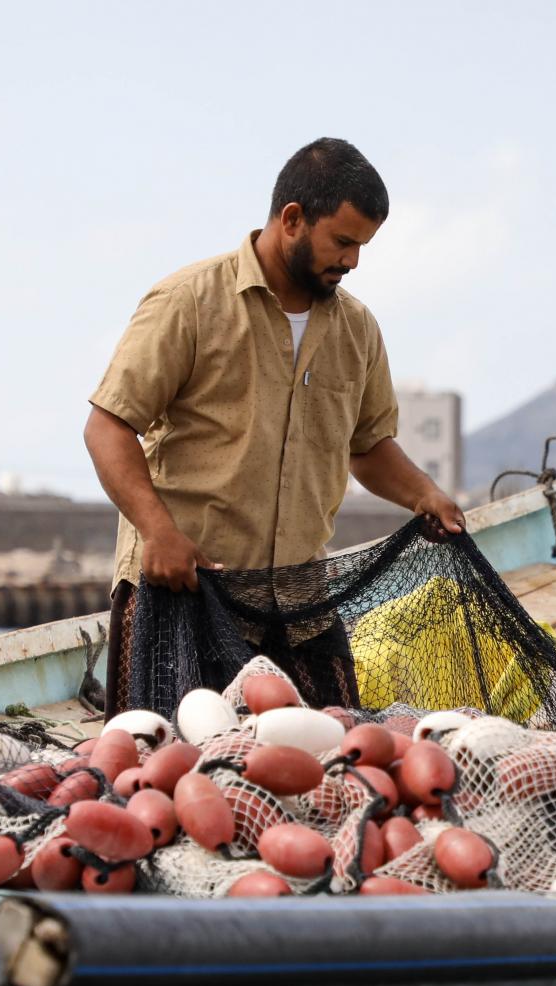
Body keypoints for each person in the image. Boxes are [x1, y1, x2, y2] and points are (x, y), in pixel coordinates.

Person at [83, 138, 465, 703]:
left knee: (335, 758)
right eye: (342, 241)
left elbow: (369, 445)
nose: (353, 261)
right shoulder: (188, 302)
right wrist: (158, 532)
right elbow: (108, 426)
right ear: (292, 220)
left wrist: (424, 494)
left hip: (299, 600)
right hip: (184, 589)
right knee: (171, 766)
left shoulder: (358, 330)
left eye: (363, 246)